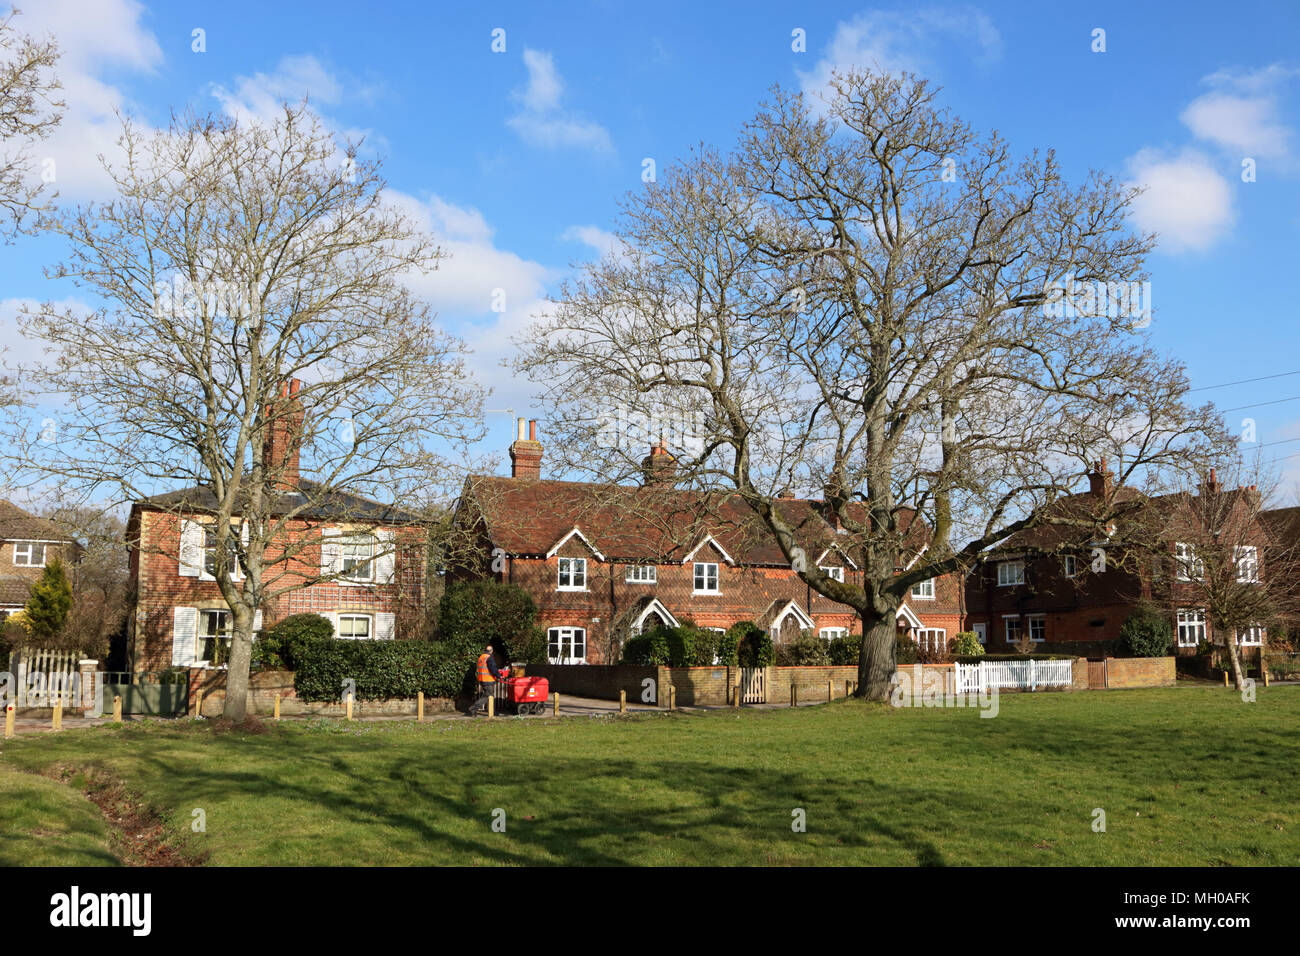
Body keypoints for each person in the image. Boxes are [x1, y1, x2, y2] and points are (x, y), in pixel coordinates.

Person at [469, 643, 504, 716]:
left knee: (489, 695)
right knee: (488, 695)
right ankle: (474, 708)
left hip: (482, 679)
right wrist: (499, 676)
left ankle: (491, 711)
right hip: (488, 680)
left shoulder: (481, 657)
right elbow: (493, 669)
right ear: (491, 651)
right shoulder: (489, 658)